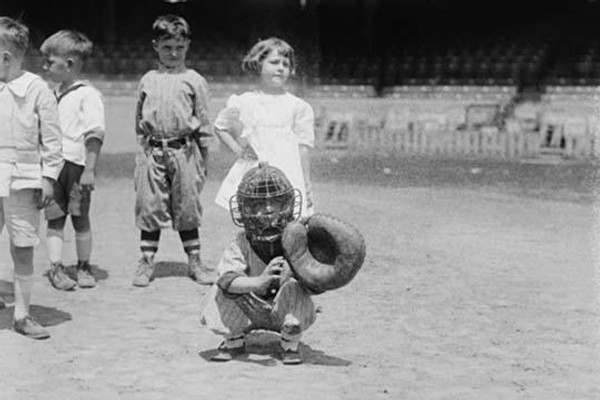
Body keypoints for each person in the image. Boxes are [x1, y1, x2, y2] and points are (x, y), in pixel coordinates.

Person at [200, 163, 316, 365]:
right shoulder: (241, 242)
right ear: (247, 209)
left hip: (282, 308)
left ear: (287, 205)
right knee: (220, 289)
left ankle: (289, 342)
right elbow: (227, 279)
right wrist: (258, 282)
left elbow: (314, 279)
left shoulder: (297, 240)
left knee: (296, 288)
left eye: (275, 203)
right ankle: (233, 339)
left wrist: (319, 276)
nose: (269, 209)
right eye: (260, 204)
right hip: (248, 307)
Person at [133, 14, 214, 287]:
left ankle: (195, 261)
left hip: (185, 152)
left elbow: (203, 120)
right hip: (153, 150)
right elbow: (138, 119)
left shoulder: (194, 80)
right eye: (167, 47)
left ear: (187, 45)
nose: (173, 53)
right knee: (149, 206)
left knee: (187, 206)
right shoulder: (148, 79)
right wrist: (145, 147)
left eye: (179, 47)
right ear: (155, 45)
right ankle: (146, 263)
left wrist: (204, 159)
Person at [0, 17, 64, 339]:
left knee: (21, 247)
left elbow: (53, 140)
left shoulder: (37, 88)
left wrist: (49, 177)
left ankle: (22, 314)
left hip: (23, 180)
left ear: (6, 57)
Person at [214, 37, 315, 218]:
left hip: (288, 172)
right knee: (256, 222)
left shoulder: (298, 106)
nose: (280, 68)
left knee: (289, 223)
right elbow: (220, 127)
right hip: (257, 174)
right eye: (274, 62)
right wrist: (239, 150)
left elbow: (304, 148)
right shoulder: (245, 101)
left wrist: (306, 182)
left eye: (285, 64)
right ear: (259, 64)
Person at [40, 30, 105, 290]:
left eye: (49, 62)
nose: (44, 66)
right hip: (54, 166)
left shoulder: (88, 95)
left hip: (77, 166)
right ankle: (55, 267)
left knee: (79, 217)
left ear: (69, 64)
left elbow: (94, 134)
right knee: (54, 217)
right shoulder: (51, 93)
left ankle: (83, 265)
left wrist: (90, 169)